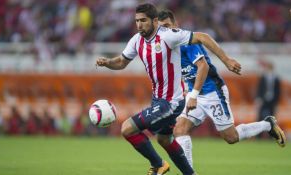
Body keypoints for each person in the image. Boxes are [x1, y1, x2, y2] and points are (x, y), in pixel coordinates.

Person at [96, 3, 240, 175]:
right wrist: (108, 63)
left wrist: (227, 60)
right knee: (164, 139)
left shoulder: (168, 36)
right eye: (137, 21)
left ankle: (158, 165)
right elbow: (121, 62)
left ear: (155, 21)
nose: (139, 25)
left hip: (171, 103)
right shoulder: (136, 40)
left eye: (143, 20)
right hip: (158, 99)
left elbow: (203, 37)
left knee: (127, 129)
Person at [157, 9, 287, 167]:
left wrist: (194, 94)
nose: (166, 30)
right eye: (162, 28)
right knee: (180, 129)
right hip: (194, 93)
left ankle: (267, 124)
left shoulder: (186, 42)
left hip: (212, 91)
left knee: (231, 137)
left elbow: (202, 67)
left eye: (168, 26)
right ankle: (189, 172)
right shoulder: (166, 46)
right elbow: (181, 71)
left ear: (176, 24)